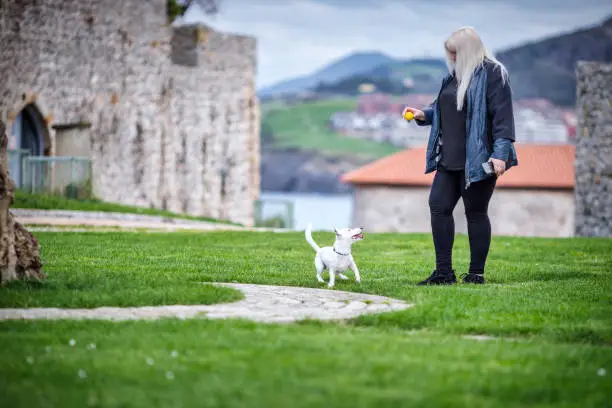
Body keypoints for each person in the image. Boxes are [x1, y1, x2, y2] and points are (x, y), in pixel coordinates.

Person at [402, 26, 518, 285]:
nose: (451, 58)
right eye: (449, 53)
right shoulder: (453, 76)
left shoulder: (494, 73)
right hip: (449, 158)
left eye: (455, 53)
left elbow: (503, 118)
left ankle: (476, 274)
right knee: (438, 207)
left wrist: (500, 154)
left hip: (479, 160)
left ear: (468, 50)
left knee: (476, 213)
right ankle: (444, 273)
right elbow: (444, 109)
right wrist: (423, 114)